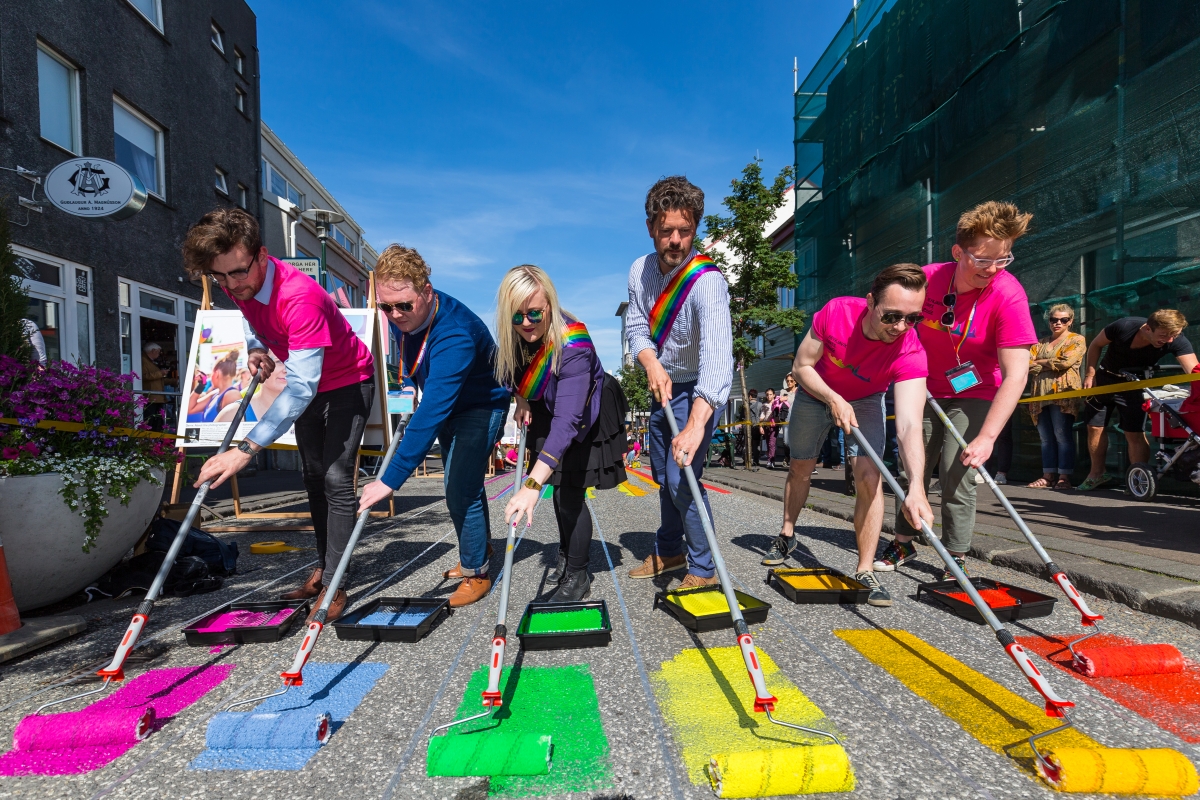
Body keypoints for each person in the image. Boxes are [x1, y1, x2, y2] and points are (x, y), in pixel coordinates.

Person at [185, 208, 376, 623]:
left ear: (262, 254)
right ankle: (325, 568)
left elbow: (302, 387)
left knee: (336, 479)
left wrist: (245, 449)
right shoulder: (237, 281)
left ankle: (336, 584)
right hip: (310, 382)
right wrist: (257, 347)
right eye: (220, 278)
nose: (232, 285)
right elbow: (249, 313)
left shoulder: (299, 297)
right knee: (310, 474)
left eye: (237, 273)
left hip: (347, 381)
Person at [875, 201, 1037, 580]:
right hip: (923, 385)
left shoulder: (1008, 295)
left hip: (976, 389)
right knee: (913, 465)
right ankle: (904, 539)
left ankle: (955, 554)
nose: (993, 270)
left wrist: (987, 438)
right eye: (983, 261)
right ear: (958, 252)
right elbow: (890, 322)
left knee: (957, 468)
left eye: (1004, 259)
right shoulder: (928, 280)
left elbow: (1016, 374)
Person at [762, 263, 933, 606]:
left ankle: (865, 568)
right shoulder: (838, 312)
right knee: (801, 467)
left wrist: (916, 487)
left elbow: (911, 423)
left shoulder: (910, 350)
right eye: (892, 316)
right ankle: (787, 533)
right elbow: (801, 366)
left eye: (912, 318)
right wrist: (833, 398)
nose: (901, 327)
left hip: (867, 400)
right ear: (870, 302)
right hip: (815, 393)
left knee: (871, 475)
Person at [357, 245, 510, 607]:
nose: (395, 315)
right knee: (461, 483)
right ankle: (480, 547)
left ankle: (477, 571)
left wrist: (389, 479)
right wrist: (410, 381)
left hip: (481, 405)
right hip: (451, 402)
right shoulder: (406, 315)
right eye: (386, 307)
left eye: (404, 306)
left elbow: (431, 413)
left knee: (460, 486)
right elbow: (414, 356)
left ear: (427, 292)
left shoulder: (455, 333)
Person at [624, 176, 734, 588]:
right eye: (666, 230)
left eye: (684, 231)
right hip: (663, 384)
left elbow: (719, 362)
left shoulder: (708, 283)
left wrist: (695, 424)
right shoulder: (639, 270)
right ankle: (669, 550)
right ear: (651, 227)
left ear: (695, 230)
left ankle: (703, 568)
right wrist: (650, 360)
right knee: (660, 475)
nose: (675, 241)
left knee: (680, 475)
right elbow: (636, 325)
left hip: (701, 390)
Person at [497, 266, 629, 602]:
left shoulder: (573, 345)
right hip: (546, 404)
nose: (526, 323)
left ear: (550, 306)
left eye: (535, 314)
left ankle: (578, 574)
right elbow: (510, 372)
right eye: (517, 316)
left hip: (586, 411)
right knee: (557, 490)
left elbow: (569, 420)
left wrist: (530, 486)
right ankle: (567, 555)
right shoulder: (514, 333)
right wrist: (522, 397)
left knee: (570, 493)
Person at [1078, 309, 1197, 490]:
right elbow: (1095, 345)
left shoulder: (1176, 339)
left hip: (1134, 384)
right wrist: (1090, 374)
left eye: (1174, 335)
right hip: (1104, 379)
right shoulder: (1123, 326)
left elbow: (1194, 372)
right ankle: (1097, 474)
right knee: (1094, 427)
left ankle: (1137, 480)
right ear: (1147, 329)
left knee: (1133, 432)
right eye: (1164, 335)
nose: (1170, 340)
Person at [1026, 304, 1085, 490]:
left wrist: (1040, 362)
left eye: (1063, 320)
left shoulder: (1077, 339)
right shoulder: (1040, 342)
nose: (1058, 323)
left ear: (1071, 321)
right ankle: (1047, 475)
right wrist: (1050, 363)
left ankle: (1064, 477)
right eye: (1054, 320)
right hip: (1039, 395)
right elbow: (1026, 364)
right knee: (1045, 437)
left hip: (1062, 393)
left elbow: (1066, 362)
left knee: (1062, 435)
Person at [141, 342, 168, 432]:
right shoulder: (143, 361)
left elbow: (157, 379)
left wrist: (173, 381)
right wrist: (161, 373)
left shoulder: (149, 362)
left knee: (156, 421)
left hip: (155, 396)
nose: (159, 354)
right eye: (158, 352)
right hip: (151, 397)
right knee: (150, 421)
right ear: (153, 351)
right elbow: (144, 376)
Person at [746, 389, 763, 467]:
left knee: (747, 444)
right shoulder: (760, 405)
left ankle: (746, 460)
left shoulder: (746, 405)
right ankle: (756, 460)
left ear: (750, 396)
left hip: (748, 427)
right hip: (757, 426)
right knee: (756, 445)